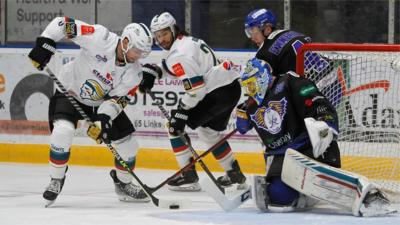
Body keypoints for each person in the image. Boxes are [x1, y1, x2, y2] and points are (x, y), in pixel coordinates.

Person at [235, 58, 393, 215]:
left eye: (251, 84)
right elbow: (245, 125)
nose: (249, 90)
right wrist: (243, 116)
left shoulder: (290, 82)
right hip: (281, 157)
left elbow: (317, 103)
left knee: (298, 186)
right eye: (246, 86)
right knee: (278, 195)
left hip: (308, 147)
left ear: (262, 78)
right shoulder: (252, 104)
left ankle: (370, 197)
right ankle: (303, 194)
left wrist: (326, 123)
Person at [28, 16, 155, 206]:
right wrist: (46, 41)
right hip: (70, 90)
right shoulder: (100, 37)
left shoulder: (134, 73)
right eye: (137, 51)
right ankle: (56, 178)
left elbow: (116, 100)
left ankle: (123, 183)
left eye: (143, 53)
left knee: (128, 145)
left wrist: (102, 119)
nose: (139, 56)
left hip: (100, 102)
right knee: (63, 131)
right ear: (126, 41)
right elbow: (63, 24)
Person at [138, 12, 246, 191]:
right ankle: (235, 174)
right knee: (208, 132)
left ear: (173, 30)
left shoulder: (178, 53)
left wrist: (182, 110)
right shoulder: (186, 41)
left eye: (164, 33)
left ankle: (188, 176)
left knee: (174, 127)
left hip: (215, 92)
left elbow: (196, 90)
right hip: (230, 87)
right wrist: (156, 72)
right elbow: (179, 68)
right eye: (158, 35)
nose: (161, 39)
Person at [244, 8, 312, 76]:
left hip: (306, 84)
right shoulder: (294, 34)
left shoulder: (264, 54)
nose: (252, 38)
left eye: (255, 33)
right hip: (319, 74)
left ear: (267, 29)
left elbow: (262, 83)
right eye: (249, 33)